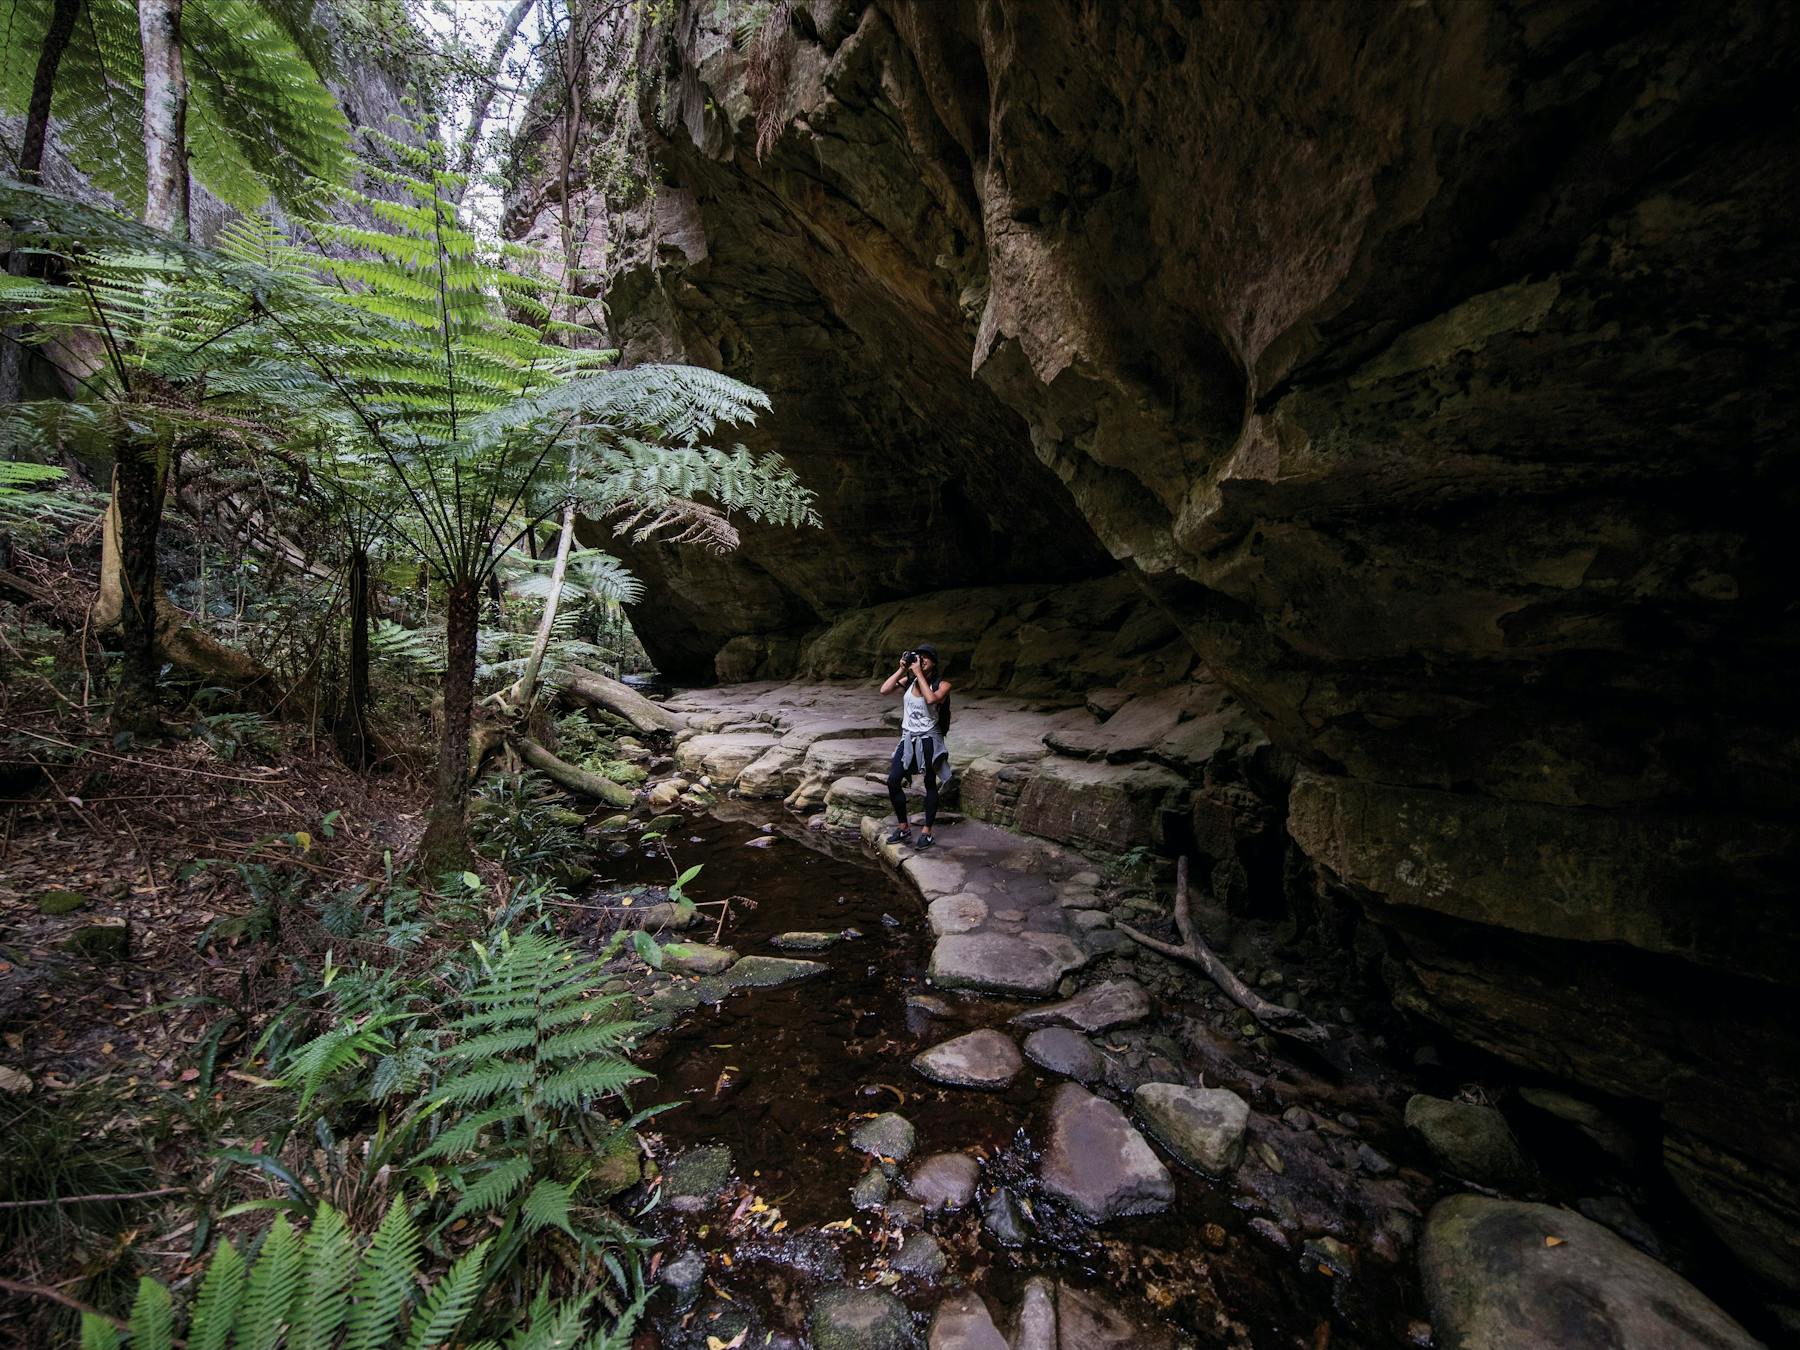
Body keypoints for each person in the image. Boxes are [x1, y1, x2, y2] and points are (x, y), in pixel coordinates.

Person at [879, 642, 953, 848]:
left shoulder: (943, 684)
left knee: (930, 783)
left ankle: (927, 832)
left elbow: (931, 700)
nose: (921, 660)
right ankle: (903, 827)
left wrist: (918, 672)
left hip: (929, 738)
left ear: (934, 663)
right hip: (908, 738)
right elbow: (884, 690)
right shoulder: (909, 680)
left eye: (925, 657)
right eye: (918, 656)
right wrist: (903, 668)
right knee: (893, 781)